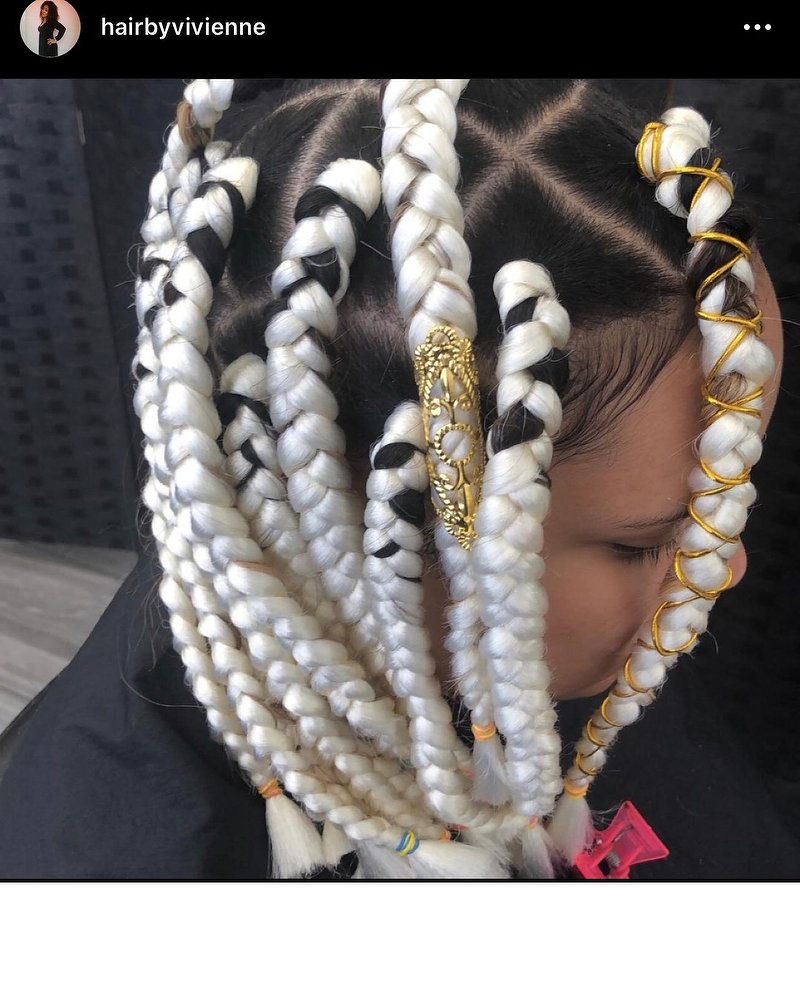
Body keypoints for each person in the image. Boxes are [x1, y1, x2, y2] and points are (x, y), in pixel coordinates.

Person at [0, 78, 795, 880]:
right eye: (645, 542)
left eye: (730, 494)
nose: (726, 563)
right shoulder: (114, 861)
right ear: (381, 534)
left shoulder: (560, 637)